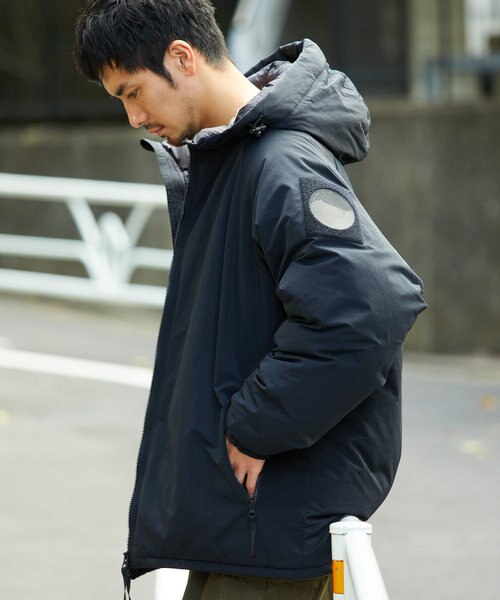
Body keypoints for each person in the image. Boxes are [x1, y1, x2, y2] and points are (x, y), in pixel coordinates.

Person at [74, 1, 427, 599]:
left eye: (133, 92)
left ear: (181, 58)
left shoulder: (279, 163)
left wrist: (258, 424)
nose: (133, 116)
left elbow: (371, 308)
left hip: (274, 524)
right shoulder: (232, 160)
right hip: (248, 524)